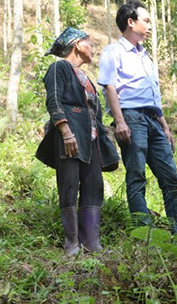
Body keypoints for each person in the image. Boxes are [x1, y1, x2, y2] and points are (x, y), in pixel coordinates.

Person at [97, 0, 177, 233]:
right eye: (145, 20)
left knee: (171, 178)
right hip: (131, 117)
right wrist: (120, 121)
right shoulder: (113, 51)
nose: (149, 26)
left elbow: (153, 97)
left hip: (153, 119)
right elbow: (110, 87)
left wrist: (165, 126)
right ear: (130, 22)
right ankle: (142, 232)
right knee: (136, 174)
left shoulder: (146, 57)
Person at [36, 27, 120, 256]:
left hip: (90, 138)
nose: (93, 48)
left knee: (94, 186)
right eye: (89, 42)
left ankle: (91, 243)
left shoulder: (87, 78)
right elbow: (53, 100)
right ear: (77, 45)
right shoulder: (59, 67)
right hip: (71, 135)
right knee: (69, 183)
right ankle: (71, 242)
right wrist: (65, 131)